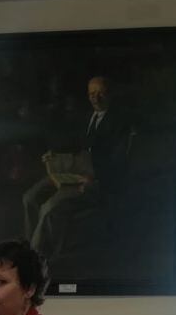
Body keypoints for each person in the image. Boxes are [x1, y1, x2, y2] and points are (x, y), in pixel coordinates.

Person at [21, 75, 133, 260]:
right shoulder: (87, 116)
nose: (96, 99)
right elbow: (75, 144)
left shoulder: (120, 122)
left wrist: (93, 179)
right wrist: (53, 154)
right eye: (92, 94)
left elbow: (118, 162)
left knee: (49, 208)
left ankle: (37, 254)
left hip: (96, 181)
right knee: (29, 198)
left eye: (101, 93)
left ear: (110, 94)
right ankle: (29, 244)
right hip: (73, 172)